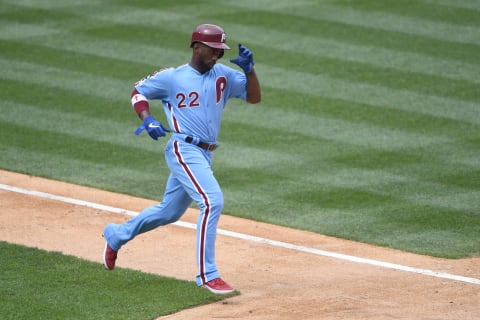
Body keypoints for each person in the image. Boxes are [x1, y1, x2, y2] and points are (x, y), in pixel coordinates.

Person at [102, 23, 261, 295]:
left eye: (221, 52)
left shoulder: (223, 75)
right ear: (197, 47)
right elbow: (137, 92)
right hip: (183, 149)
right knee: (212, 201)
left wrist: (249, 70)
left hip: (205, 153)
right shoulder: (172, 78)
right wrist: (148, 118)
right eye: (213, 51)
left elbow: (254, 97)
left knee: (169, 211)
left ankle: (116, 235)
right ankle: (207, 274)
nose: (217, 57)